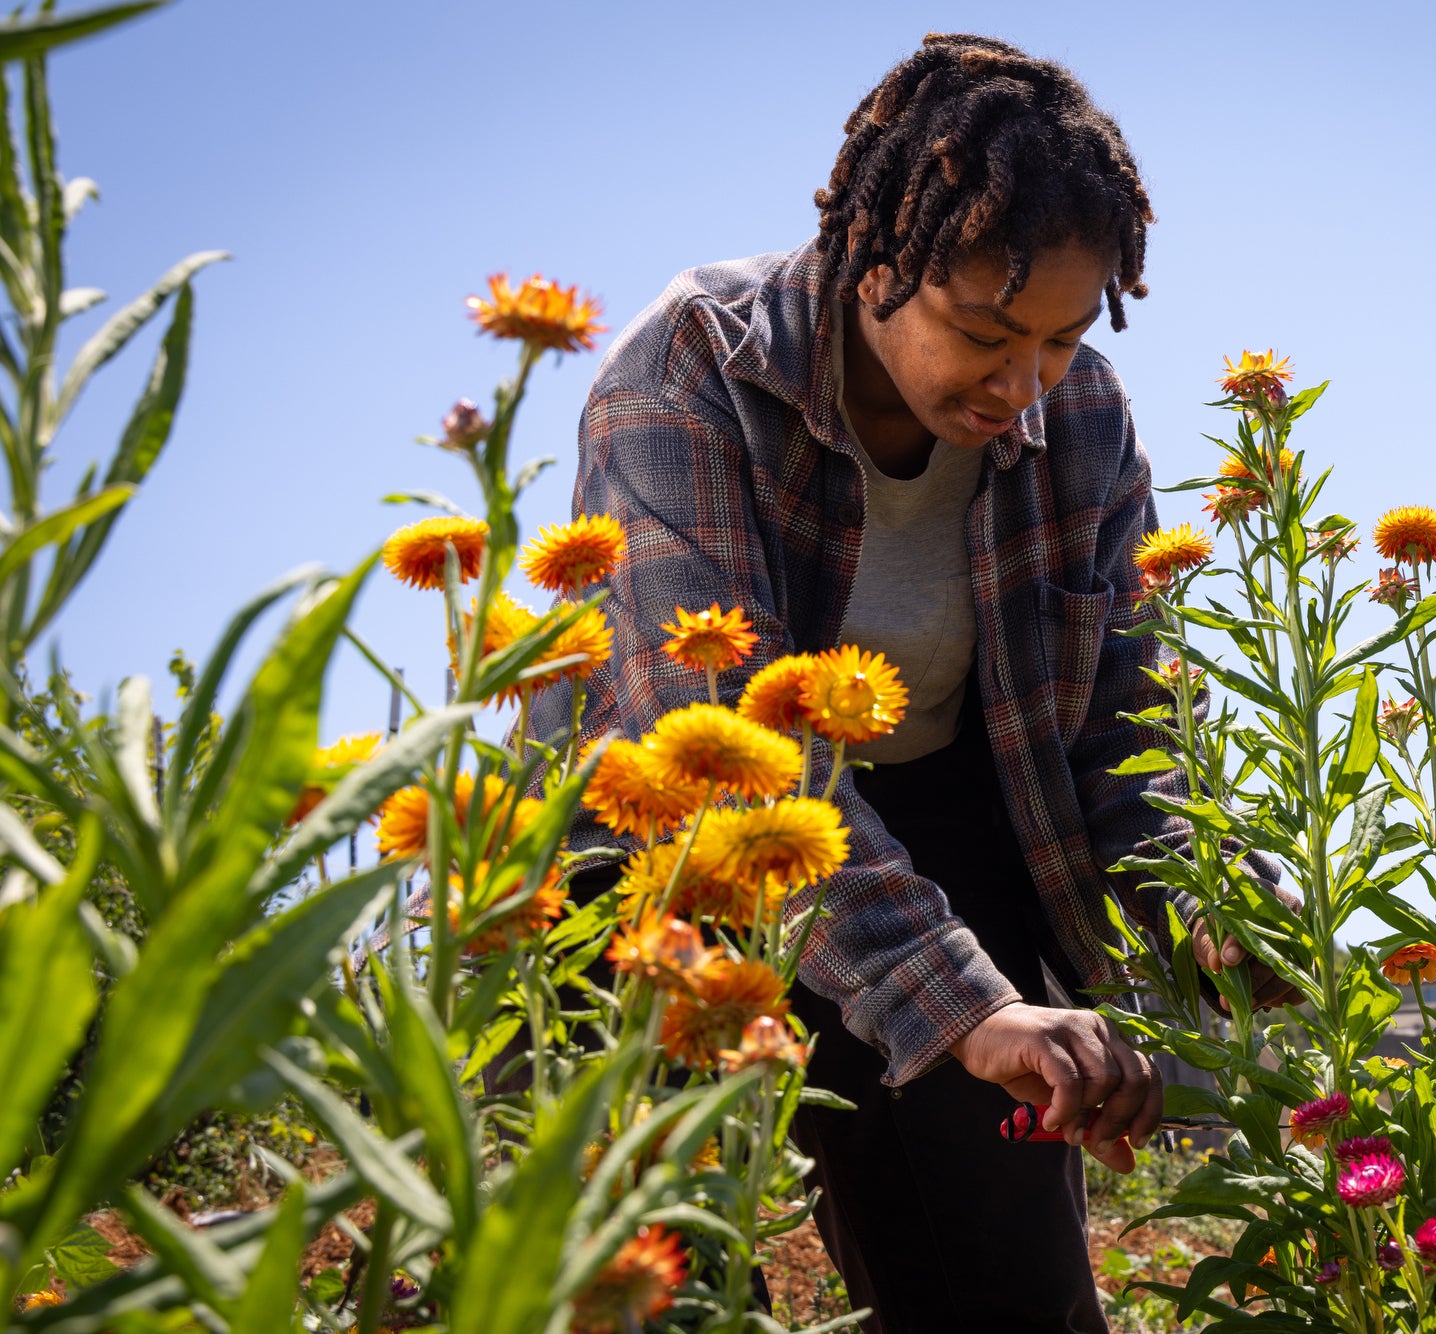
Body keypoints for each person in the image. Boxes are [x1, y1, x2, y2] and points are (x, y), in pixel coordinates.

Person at [529, 33, 1280, 1332]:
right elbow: (717, 751)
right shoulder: (688, 374)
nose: (1022, 385)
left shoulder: (1083, 422)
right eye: (987, 333)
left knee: (1010, 1293)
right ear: (872, 258)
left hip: (934, 815)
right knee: (661, 1284)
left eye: (1055, 341)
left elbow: (1129, 743)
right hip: (648, 847)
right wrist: (973, 1006)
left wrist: (1213, 904)